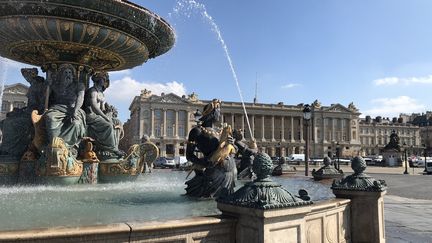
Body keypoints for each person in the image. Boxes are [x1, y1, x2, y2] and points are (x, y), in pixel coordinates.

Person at [185, 99, 237, 198]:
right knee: (210, 200)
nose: (219, 115)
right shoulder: (197, 131)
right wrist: (204, 163)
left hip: (230, 171)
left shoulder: (219, 131)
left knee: (226, 199)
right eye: (218, 112)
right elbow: (189, 155)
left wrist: (232, 144)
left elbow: (233, 152)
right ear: (211, 113)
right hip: (215, 172)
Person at [44, 64, 86, 148]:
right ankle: (55, 145)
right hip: (56, 109)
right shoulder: (55, 85)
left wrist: (75, 111)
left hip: (73, 108)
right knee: (50, 118)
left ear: (73, 75)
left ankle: (69, 147)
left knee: (76, 123)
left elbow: (80, 98)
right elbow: (45, 97)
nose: (68, 75)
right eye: (65, 72)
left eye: (70, 73)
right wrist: (47, 86)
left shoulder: (79, 85)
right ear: (60, 75)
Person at [83, 71, 123, 158]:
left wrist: (109, 112)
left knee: (116, 122)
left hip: (97, 116)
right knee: (108, 125)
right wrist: (105, 117)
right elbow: (94, 107)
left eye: (105, 79)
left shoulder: (101, 93)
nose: (104, 81)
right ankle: (112, 149)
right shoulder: (93, 91)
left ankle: (112, 148)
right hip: (90, 115)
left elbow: (101, 109)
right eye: (102, 79)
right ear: (97, 80)